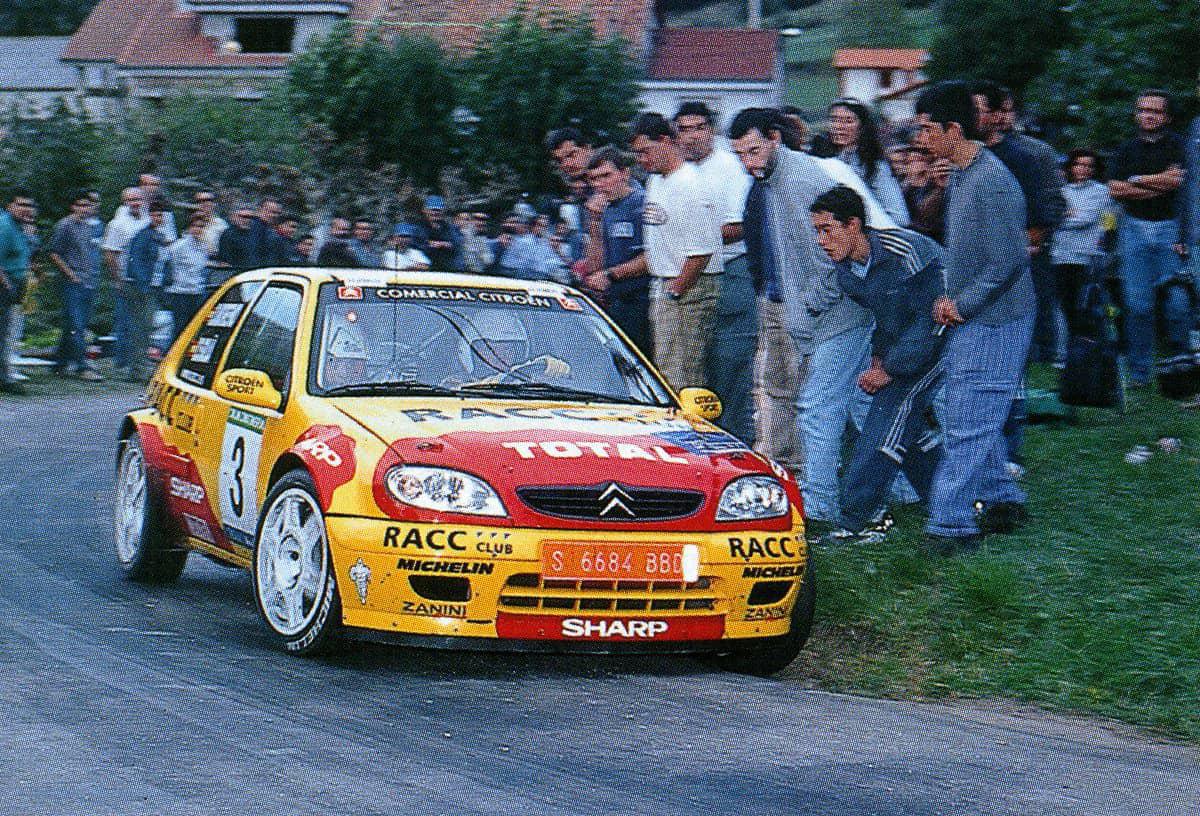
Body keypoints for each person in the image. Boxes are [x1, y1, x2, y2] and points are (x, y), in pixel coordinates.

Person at [731, 108, 890, 529]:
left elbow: (835, 252)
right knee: (864, 409)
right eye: (740, 156)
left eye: (753, 150)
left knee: (817, 410)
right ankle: (904, 489)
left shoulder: (803, 181)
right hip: (823, 315)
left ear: (775, 139)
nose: (749, 163)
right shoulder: (773, 181)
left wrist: (807, 306)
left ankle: (821, 510)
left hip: (839, 316)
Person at [913, 80, 1034, 554]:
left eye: (927, 128)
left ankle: (950, 526)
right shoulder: (963, 175)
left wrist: (963, 303)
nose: (920, 137)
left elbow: (1009, 261)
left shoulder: (993, 182)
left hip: (998, 318)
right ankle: (1002, 498)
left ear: (953, 129)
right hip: (974, 314)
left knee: (968, 418)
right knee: (970, 410)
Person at [810, 186, 948, 543]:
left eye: (827, 229)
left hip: (951, 336)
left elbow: (931, 318)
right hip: (912, 344)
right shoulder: (847, 274)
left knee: (887, 418)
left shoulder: (905, 252)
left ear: (854, 224)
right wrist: (879, 357)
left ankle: (860, 518)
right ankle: (944, 497)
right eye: (816, 232)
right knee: (906, 423)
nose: (821, 241)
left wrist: (890, 369)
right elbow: (887, 319)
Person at [674, 101, 758, 444]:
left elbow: (739, 225)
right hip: (688, 275)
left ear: (711, 130)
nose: (692, 137)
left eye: (699, 128)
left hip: (730, 272)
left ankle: (736, 445)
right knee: (693, 368)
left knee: (730, 366)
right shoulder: (676, 173)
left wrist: (692, 237)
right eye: (684, 129)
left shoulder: (730, 167)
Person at [629, 112, 721, 391]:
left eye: (646, 151)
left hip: (688, 286)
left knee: (683, 376)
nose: (642, 160)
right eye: (637, 154)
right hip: (663, 283)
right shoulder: (656, 181)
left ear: (666, 141)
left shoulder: (691, 184)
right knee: (665, 370)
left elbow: (701, 252)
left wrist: (676, 290)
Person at [1108, 89, 1190, 386]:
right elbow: (1116, 190)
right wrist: (1160, 183)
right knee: (1137, 305)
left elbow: (1179, 181)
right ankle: (1139, 373)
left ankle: (1182, 368)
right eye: (1143, 109)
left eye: (1155, 111)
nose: (1148, 115)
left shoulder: (1181, 146)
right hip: (1134, 228)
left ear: (1166, 116)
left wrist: (1138, 180)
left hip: (1172, 228)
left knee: (1177, 303)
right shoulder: (1125, 150)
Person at [581, 146, 651, 355]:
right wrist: (594, 222)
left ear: (624, 173)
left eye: (606, 175)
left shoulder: (642, 203)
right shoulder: (605, 210)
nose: (600, 184)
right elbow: (593, 268)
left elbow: (652, 257)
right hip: (617, 301)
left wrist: (611, 274)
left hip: (644, 299)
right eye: (594, 179)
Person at [1052, 149, 1115, 338]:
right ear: (1071, 167)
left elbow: (1086, 219)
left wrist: (1064, 216)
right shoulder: (1061, 191)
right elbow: (1049, 217)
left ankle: (1093, 348)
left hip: (1087, 256)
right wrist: (1066, 215)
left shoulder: (1101, 192)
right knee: (1064, 306)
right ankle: (1067, 353)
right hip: (1060, 255)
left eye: (1089, 166)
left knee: (1087, 306)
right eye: (1079, 164)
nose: (1083, 169)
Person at [818, 98, 911, 225]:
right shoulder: (821, 158)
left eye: (848, 121)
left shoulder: (874, 165)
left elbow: (899, 217)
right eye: (834, 120)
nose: (839, 126)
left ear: (862, 126)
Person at [48, 192, 103, 380]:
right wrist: (70, 274)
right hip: (72, 282)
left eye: (87, 206)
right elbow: (54, 253)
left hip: (88, 281)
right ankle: (82, 366)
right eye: (80, 205)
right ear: (73, 206)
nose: (84, 209)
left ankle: (60, 364)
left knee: (73, 325)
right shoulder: (65, 225)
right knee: (77, 325)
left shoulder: (88, 227)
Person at [101, 187, 149, 376]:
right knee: (125, 322)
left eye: (138, 199)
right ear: (125, 202)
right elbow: (110, 254)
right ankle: (122, 364)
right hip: (126, 279)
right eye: (131, 200)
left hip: (146, 280)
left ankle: (138, 363)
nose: (135, 202)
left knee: (143, 323)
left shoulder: (148, 221)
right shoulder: (117, 224)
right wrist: (118, 279)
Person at [123, 199, 171, 382]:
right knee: (140, 329)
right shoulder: (143, 236)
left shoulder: (160, 237)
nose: (159, 218)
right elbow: (136, 263)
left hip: (155, 287)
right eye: (156, 214)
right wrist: (143, 286)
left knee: (148, 328)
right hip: (141, 289)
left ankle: (140, 366)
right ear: (150, 215)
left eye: (162, 215)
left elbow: (163, 263)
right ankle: (137, 370)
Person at [0, 190, 35, 394]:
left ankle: (4, 376)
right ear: (10, 206)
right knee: (3, 334)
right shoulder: (5, 226)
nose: (26, 209)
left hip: (15, 284)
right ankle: (4, 378)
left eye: (29, 206)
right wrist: (7, 286)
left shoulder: (20, 227)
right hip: (5, 286)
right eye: (21, 205)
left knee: (7, 333)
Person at [163, 213, 212, 341]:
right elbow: (167, 262)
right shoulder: (179, 246)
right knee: (180, 328)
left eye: (201, 226)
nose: (198, 229)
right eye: (195, 226)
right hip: (180, 293)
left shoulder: (203, 247)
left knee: (194, 328)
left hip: (196, 292)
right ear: (190, 227)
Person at [413, 196, 464, 271]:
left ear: (443, 211)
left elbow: (457, 244)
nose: (435, 213)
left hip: (448, 268)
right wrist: (432, 245)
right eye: (432, 210)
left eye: (438, 210)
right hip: (426, 270)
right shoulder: (418, 228)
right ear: (425, 211)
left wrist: (444, 245)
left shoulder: (450, 228)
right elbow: (417, 246)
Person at [193, 190, 227, 256]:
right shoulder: (191, 222)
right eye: (199, 201)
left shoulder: (221, 225)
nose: (204, 203)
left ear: (214, 203)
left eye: (208, 200)